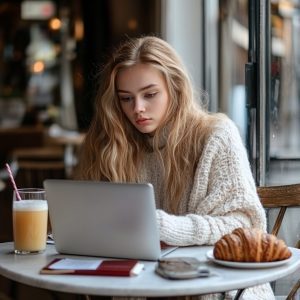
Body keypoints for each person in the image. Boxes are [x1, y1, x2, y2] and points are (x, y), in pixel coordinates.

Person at [75, 36, 274, 300]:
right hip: (144, 286)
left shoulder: (215, 135)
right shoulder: (113, 146)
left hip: (221, 289)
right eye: (126, 99)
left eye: (150, 94)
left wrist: (164, 226)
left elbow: (243, 227)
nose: (138, 109)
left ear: (175, 87)